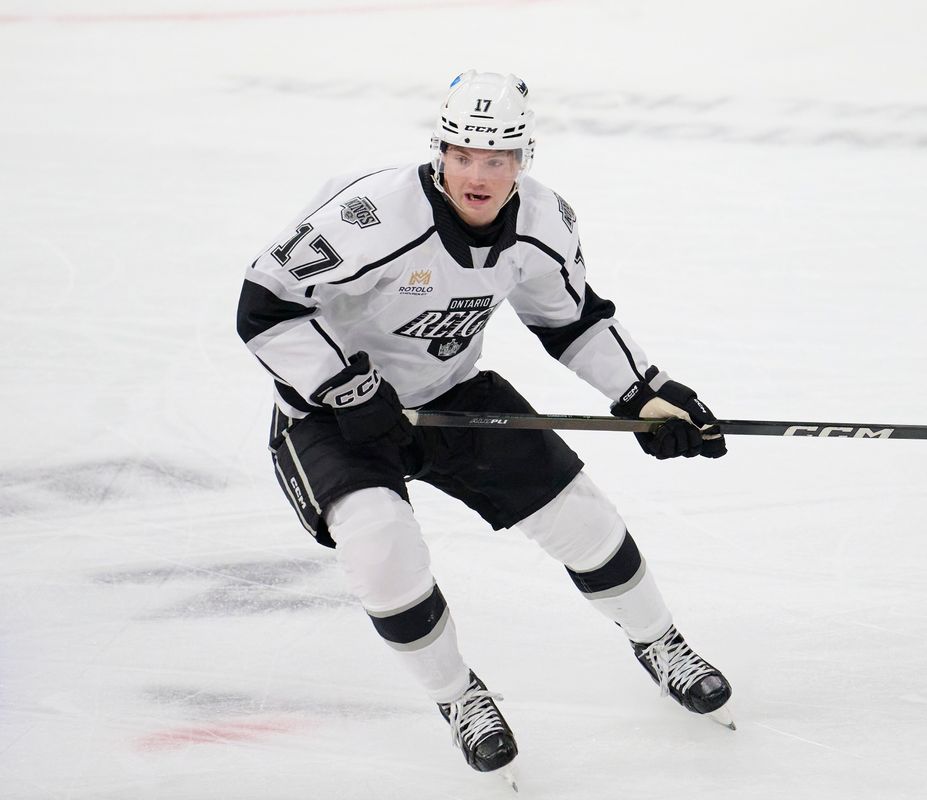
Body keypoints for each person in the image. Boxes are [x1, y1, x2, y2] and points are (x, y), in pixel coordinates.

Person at [235, 71, 733, 780]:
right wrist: (346, 385)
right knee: (382, 552)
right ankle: (458, 696)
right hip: (329, 415)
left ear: (523, 159)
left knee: (583, 519)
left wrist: (641, 392)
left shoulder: (543, 221)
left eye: (496, 159)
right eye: (463, 154)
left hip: (451, 393)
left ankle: (660, 644)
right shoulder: (371, 213)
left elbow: (572, 319)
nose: (478, 173)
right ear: (439, 149)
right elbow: (264, 307)